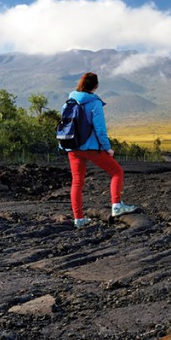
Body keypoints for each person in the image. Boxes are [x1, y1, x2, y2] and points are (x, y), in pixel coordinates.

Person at [63, 72, 136, 228]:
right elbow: (100, 129)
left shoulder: (69, 101)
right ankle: (116, 205)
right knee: (117, 172)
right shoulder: (94, 102)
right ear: (95, 86)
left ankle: (78, 219)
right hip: (90, 147)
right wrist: (107, 148)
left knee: (77, 182)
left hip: (73, 147)